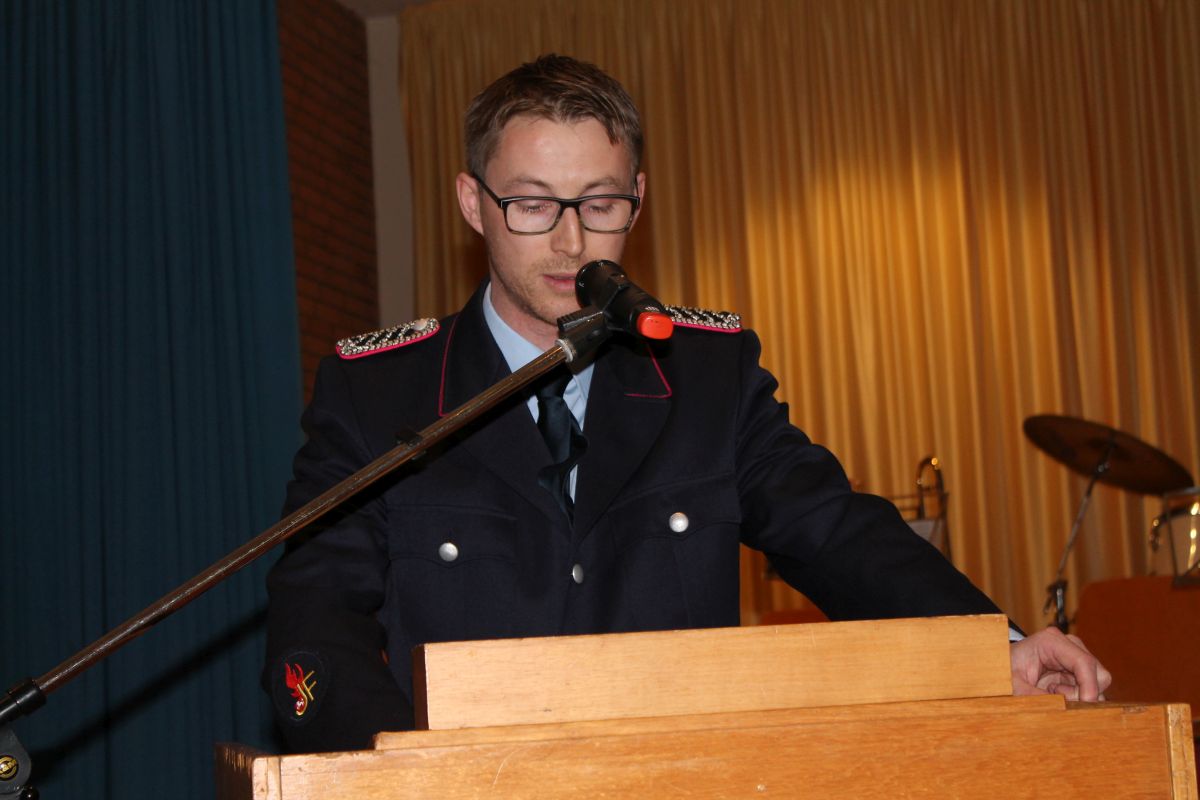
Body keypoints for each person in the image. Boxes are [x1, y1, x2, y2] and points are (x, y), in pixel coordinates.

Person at [264, 54, 1110, 753]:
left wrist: (994, 650)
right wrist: (399, 765)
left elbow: (836, 533)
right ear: (470, 203)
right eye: (532, 204)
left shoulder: (705, 375)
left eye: (600, 204)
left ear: (638, 198)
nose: (570, 241)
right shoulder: (380, 390)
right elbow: (317, 617)